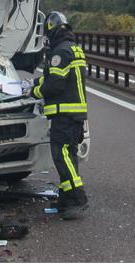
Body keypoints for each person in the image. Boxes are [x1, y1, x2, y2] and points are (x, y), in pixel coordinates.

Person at [31, 11, 89, 219]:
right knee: (69, 156)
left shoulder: (59, 53)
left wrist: (34, 91)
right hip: (75, 113)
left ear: (51, 32)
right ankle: (66, 198)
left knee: (61, 155)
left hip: (64, 114)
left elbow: (55, 84)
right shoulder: (73, 49)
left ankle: (78, 199)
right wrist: (36, 82)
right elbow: (56, 77)